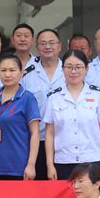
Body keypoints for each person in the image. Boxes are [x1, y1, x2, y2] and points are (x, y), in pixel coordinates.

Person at [44, 49, 100, 183]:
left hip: (92, 160)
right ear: (62, 69)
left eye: (78, 67)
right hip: (63, 161)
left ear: (86, 69)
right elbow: (49, 134)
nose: (73, 71)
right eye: (69, 67)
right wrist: (50, 164)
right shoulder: (54, 98)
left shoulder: (98, 95)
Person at [0, 54, 40, 180]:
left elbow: (35, 134)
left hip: (20, 166)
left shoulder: (27, 98)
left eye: (12, 70)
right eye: (3, 70)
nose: (7, 74)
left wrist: (31, 165)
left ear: (21, 73)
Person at [22, 28, 66, 180]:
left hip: (64, 140)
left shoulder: (69, 71)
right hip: (36, 140)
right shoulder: (27, 74)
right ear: (37, 47)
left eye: (52, 43)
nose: (47, 46)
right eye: (43, 43)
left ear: (59, 46)